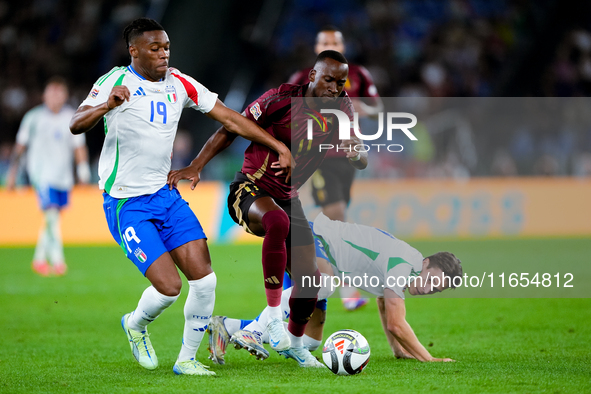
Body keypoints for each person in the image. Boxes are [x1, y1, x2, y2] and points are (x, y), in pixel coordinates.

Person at [69, 17, 293, 376]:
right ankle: (136, 324)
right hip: (126, 202)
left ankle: (186, 360)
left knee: (205, 281)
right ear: (134, 51)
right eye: (154, 48)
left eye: (166, 47)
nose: (163, 53)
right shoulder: (115, 81)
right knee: (169, 287)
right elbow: (76, 123)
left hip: (165, 195)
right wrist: (107, 105)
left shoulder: (180, 83)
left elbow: (231, 119)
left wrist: (277, 144)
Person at [168, 50, 368, 368]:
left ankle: (295, 345)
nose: (334, 88)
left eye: (341, 82)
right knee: (277, 221)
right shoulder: (281, 99)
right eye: (329, 79)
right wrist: (196, 164)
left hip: (289, 198)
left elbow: (360, 155)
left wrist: (355, 152)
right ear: (312, 76)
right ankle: (272, 318)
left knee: (313, 282)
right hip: (249, 189)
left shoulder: (342, 110)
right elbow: (231, 128)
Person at [208, 213, 462, 364]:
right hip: (310, 235)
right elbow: (396, 322)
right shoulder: (405, 263)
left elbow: (384, 303)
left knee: (308, 342)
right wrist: (428, 359)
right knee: (324, 284)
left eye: (435, 289)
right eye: (431, 280)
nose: (427, 289)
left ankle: (228, 326)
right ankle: (254, 330)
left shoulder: (406, 268)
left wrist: (398, 350)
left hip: (321, 254)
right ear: (426, 262)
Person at [289, 26, 384, 311]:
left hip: (348, 154)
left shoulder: (358, 75)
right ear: (316, 46)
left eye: (335, 41)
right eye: (325, 41)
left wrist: (362, 108)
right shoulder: (304, 77)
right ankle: (347, 289)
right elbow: (288, 110)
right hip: (318, 155)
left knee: (337, 218)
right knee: (338, 215)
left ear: (343, 45)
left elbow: (378, 108)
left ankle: (313, 246)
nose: (330, 44)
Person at [6, 77, 90, 277]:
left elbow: (79, 146)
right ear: (44, 96)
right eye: (51, 93)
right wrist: (12, 172)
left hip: (63, 177)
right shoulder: (33, 118)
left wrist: (83, 169)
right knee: (51, 216)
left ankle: (39, 260)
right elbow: (20, 147)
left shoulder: (72, 117)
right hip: (41, 175)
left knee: (52, 218)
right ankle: (58, 261)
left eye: (59, 93)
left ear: (65, 96)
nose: (55, 97)